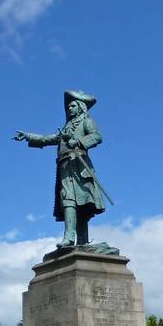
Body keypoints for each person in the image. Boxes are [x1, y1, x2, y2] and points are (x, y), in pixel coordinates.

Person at [14, 90, 105, 248]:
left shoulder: (86, 121)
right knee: (68, 199)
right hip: (65, 167)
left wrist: (78, 141)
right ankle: (69, 238)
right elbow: (47, 138)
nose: (69, 109)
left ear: (81, 107)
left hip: (79, 166)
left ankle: (81, 240)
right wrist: (29, 136)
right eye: (69, 106)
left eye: (73, 106)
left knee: (81, 203)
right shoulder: (66, 127)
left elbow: (97, 136)